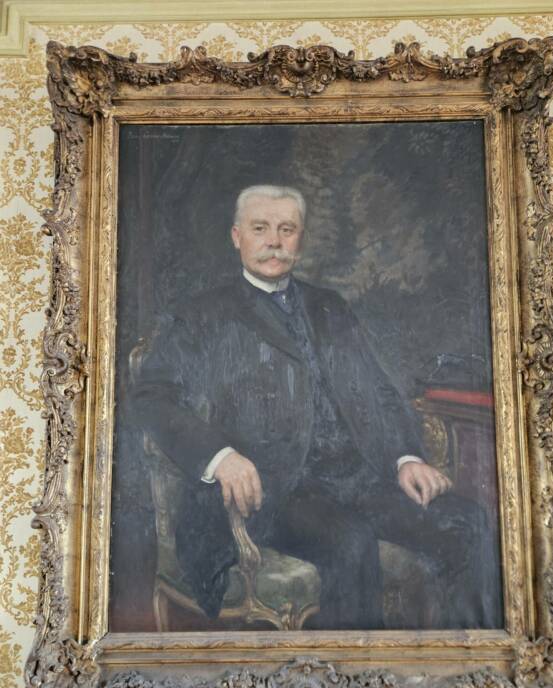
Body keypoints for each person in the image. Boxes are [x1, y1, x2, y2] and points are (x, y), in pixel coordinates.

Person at [133, 184, 503, 629]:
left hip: (357, 477)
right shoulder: (203, 314)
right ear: (236, 236)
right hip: (273, 490)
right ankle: (355, 670)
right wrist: (220, 456)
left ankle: (467, 655)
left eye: (286, 230)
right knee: (350, 543)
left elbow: (378, 391)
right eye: (260, 229)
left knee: (467, 523)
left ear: (301, 239)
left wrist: (406, 458)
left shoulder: (329, 306)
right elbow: (152, 396)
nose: (274, 241)